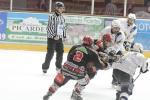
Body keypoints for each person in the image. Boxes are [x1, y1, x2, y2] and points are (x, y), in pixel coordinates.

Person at [43, 36, 107, 100]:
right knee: (85, 81)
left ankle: (49, 93)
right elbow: (100, 66)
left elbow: (68, 57)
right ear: (91, 43)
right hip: (78, 73)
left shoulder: (75, 47)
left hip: (66, 68)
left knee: (58, 80)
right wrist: (106, 63)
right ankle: (75, 94)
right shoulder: (93, 52)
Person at [42, 2, 66, 73]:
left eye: (63, 8)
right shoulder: (51, 17)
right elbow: (49, 28)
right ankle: (45, 67)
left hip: (59, 38)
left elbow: (63, 28)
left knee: (60, 52)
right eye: (61, 8)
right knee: (50, 53)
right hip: (52, 38)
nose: (62, 9)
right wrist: (54, 35)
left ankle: (58, 67)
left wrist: (63, 36)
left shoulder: (62, 17)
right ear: (57, 8)